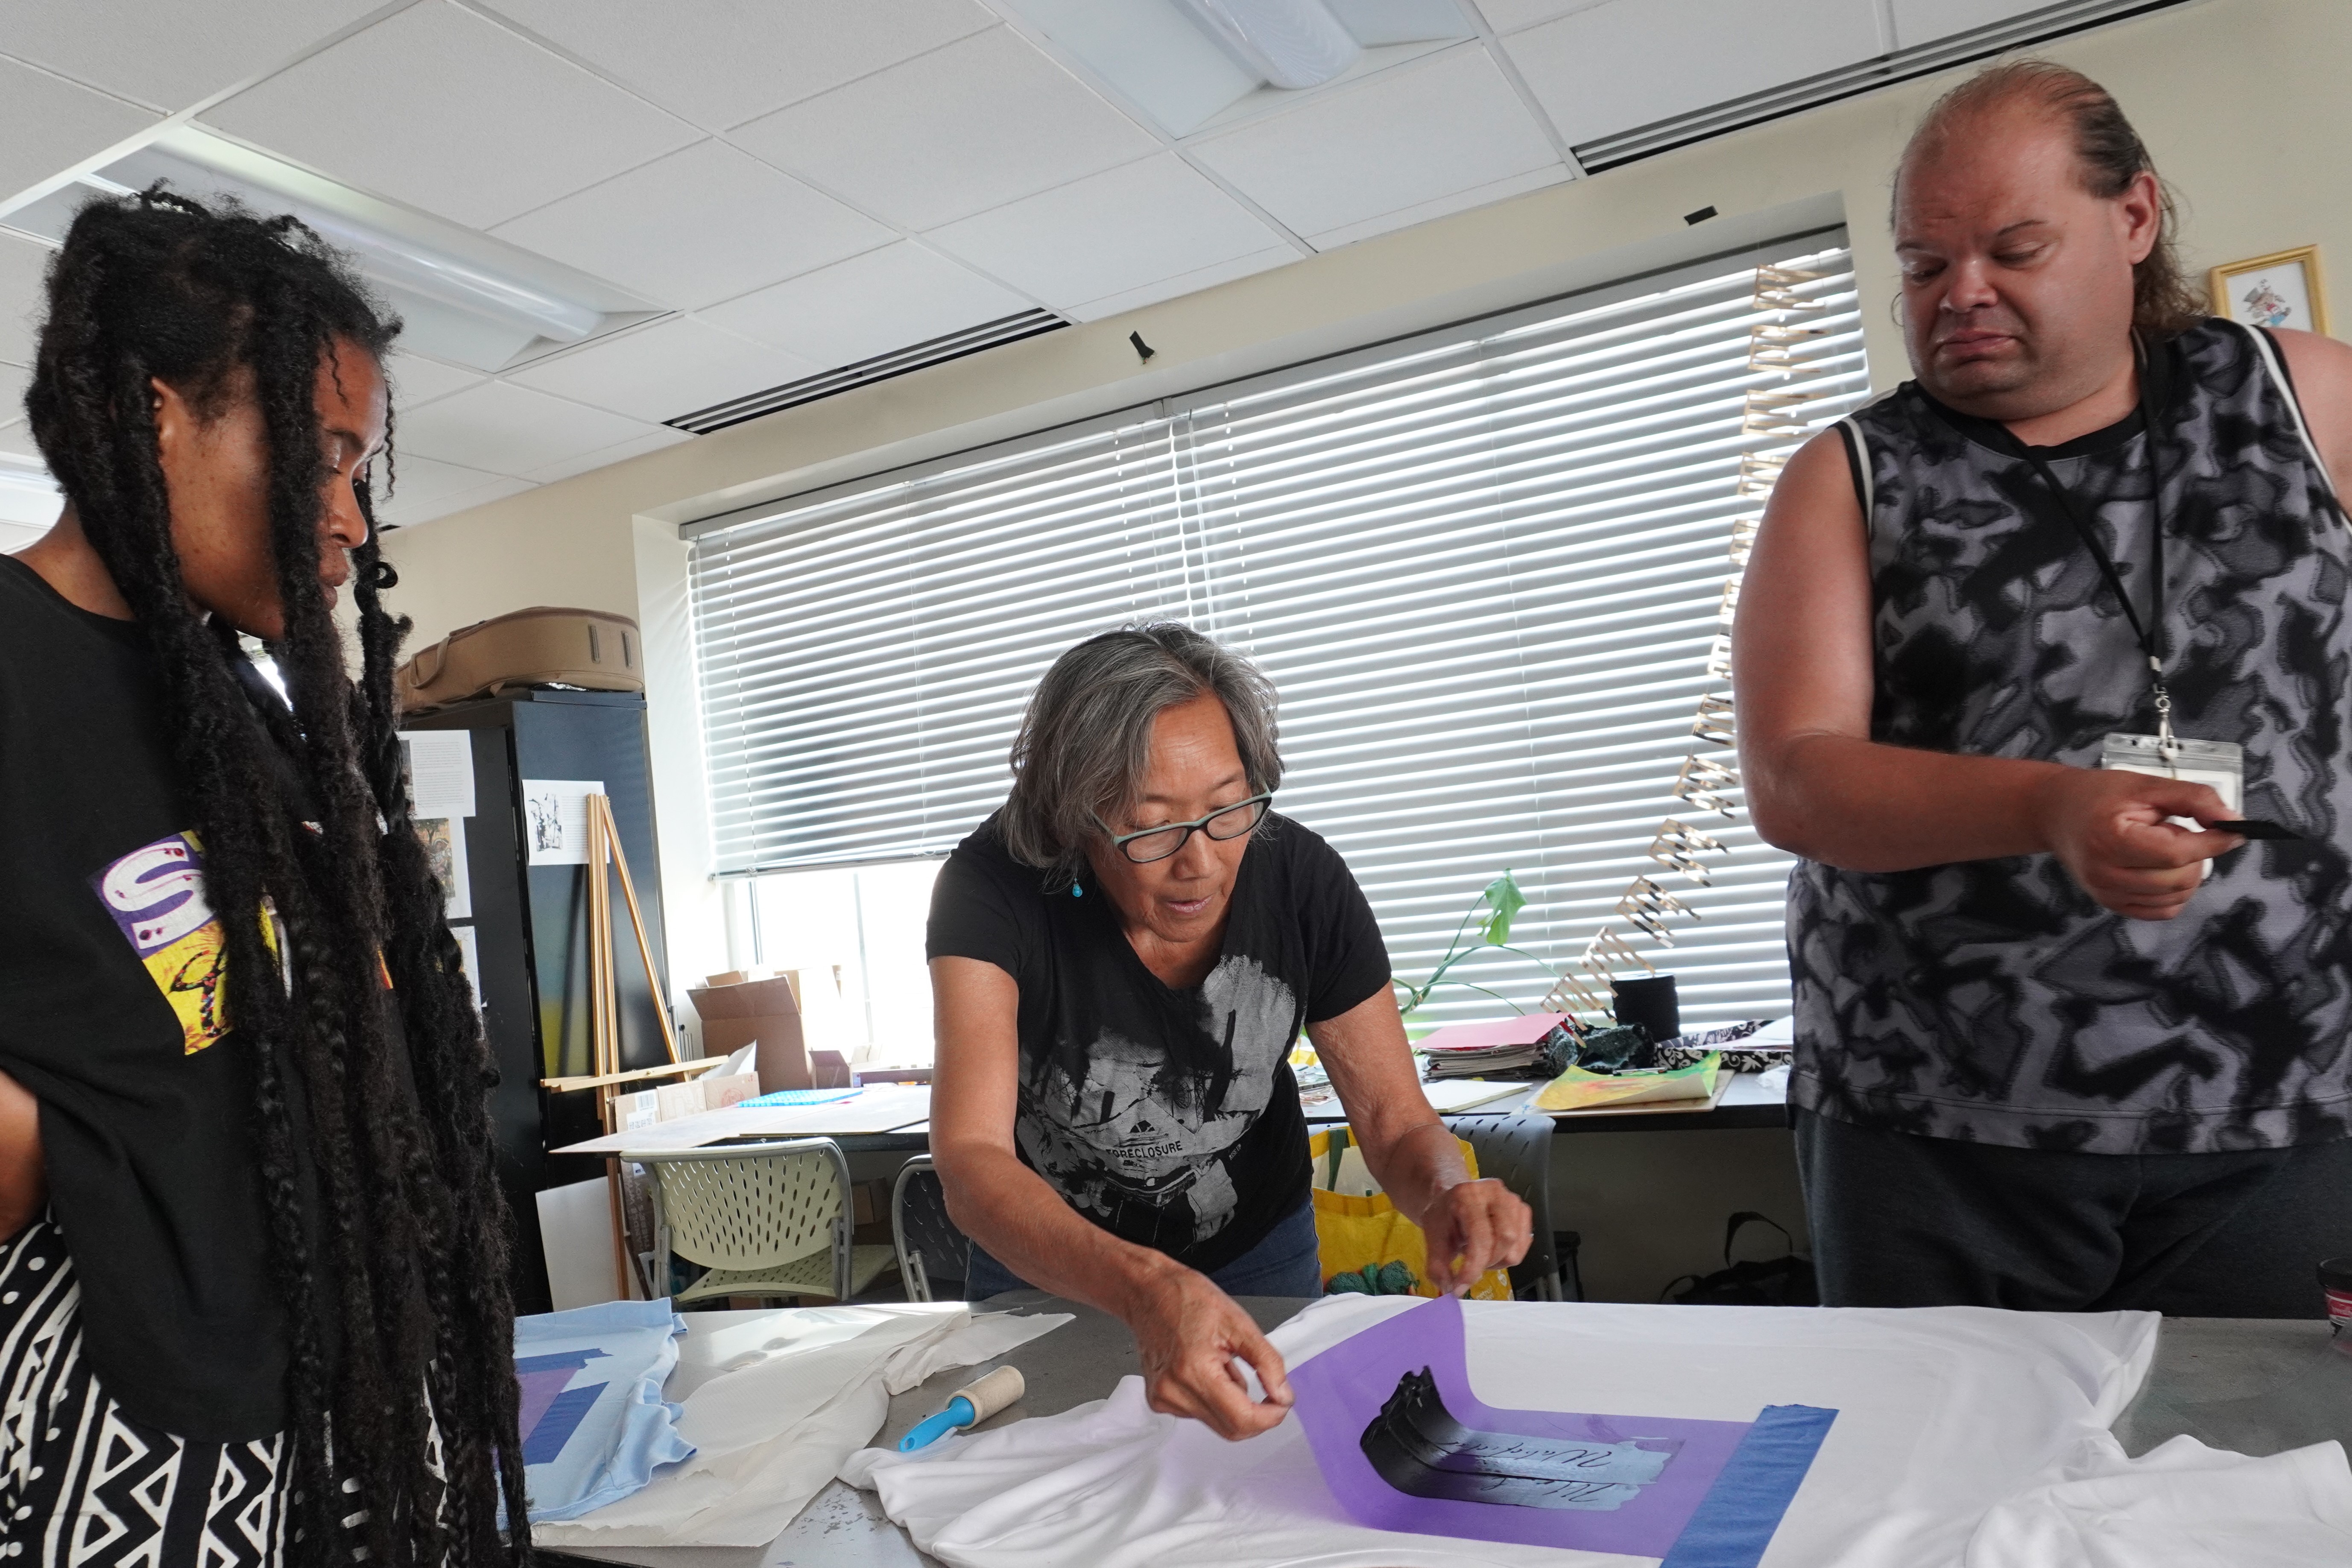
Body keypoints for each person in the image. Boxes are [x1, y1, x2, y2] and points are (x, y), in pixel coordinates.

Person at [1738, 61, 2352, 1316]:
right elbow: (1795, 774)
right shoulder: (1848, 475)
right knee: (1947, 1502)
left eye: (2014, 249)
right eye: (1922, 267)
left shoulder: (2301, 400)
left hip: (2284, 1108)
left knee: (2258, 1493)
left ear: (2133, 219)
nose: (1961, 295)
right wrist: (2048, 808)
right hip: (1942, 1132)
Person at [0, 190, 528, 1563]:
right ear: (152, 414)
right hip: (137, 1428)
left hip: (343, 1405)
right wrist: (54, 1151)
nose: (350, 518)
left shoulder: (246, 720)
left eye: (361, 472)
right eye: (319, 456)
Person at [927, 624, 1532, 1440]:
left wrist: (1444, 1193)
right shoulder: (990, 889)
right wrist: (1145, 1287)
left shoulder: (1302, 881)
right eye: (1151, 826)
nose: (1202, 862)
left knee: (1260, 1483)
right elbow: (972, 1162)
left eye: (1227, 809)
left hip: (1255, 1249)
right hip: (1050, 1265)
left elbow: (1395, 1120)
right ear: (1076, 819)